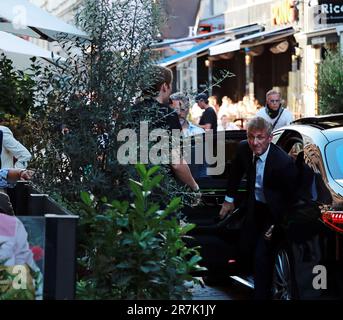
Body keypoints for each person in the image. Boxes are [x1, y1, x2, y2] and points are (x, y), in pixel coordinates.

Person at [219, 117, 298, 299]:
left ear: (270, 138)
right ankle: (252, 284)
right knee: (244, 249)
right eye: (251, 137)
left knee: (261, 258)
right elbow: (235, 173)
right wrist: (228, 200)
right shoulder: (243, 149)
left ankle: (261, 295)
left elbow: (290, 200)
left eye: (260, 137)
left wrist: (275, 226)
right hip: (254, 208)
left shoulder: (283, 163)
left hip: (275, 213)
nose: (255, 142)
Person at [132, 66, 199, 192]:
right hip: (160, 189)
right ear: (164, 86)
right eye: (170, 84)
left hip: (131, 189)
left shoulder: (129, 113)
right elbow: (176, 163)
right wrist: (194, 187)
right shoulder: (168, 115)